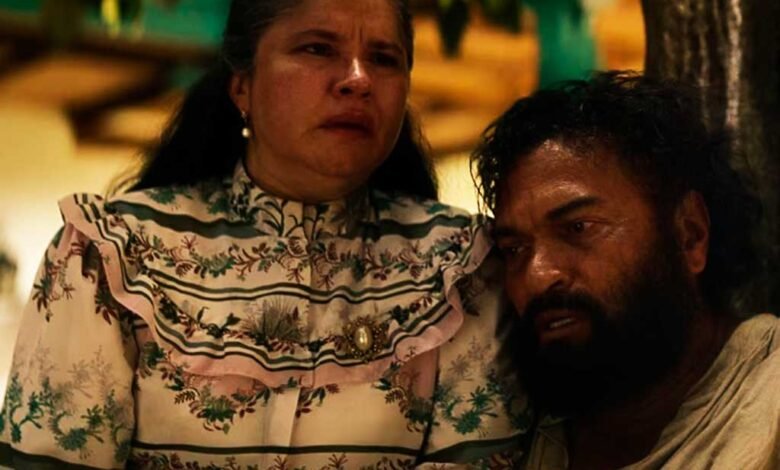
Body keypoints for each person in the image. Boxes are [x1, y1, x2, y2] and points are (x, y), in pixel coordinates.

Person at [0, 1, 531, 468]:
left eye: (384, 59)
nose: (358, 78)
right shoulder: (111, 251)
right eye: (318, 48)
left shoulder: (461, 266)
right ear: (242, 86)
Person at [472, 71, 779, 469]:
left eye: (578, 228)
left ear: (690, 235)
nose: (538, 276)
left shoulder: (768, 399)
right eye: (514, 249)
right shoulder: (511, 436)